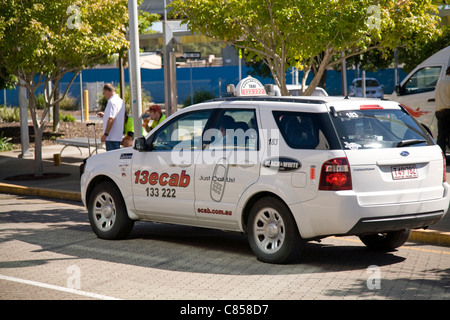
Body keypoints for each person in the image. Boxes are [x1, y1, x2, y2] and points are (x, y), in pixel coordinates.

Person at [97, 83, 125, 151]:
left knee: (112, 159)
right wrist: (105, 115)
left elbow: (111, 119)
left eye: (104, 93)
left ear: (107, 91)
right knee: (116, 158)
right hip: (117, 136)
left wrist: (105, 134)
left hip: (111, 137)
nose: (104, 95)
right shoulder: (119, 100)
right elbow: (117, 116)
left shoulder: (112, 102)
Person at [435, 66, 450, 154]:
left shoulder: (440, 82)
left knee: (441, 137)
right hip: (448, 111)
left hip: (439, 111)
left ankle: (441, 156)